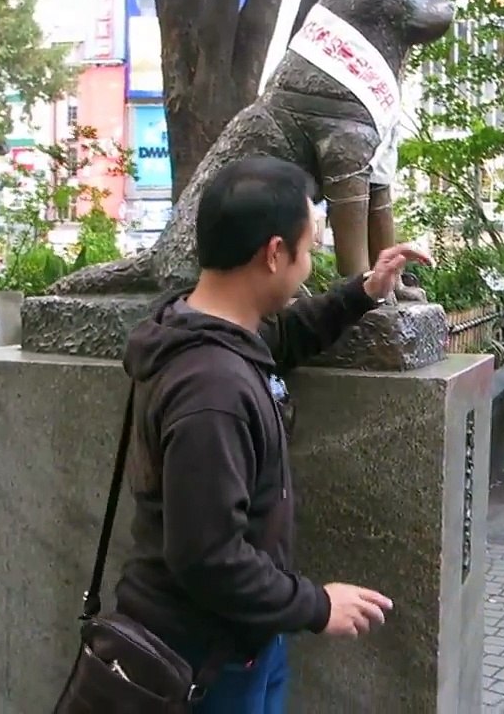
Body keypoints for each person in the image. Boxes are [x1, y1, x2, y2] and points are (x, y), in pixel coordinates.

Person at [113, 157, 421, 711]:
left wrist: (365, 290)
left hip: (244, 636)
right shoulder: (212, 388)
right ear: (275, 253)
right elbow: (206, 555)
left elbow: (284, 336)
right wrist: (317, 606)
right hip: (205, 655)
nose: (309, 267)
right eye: (309, 252)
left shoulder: (204, 328)